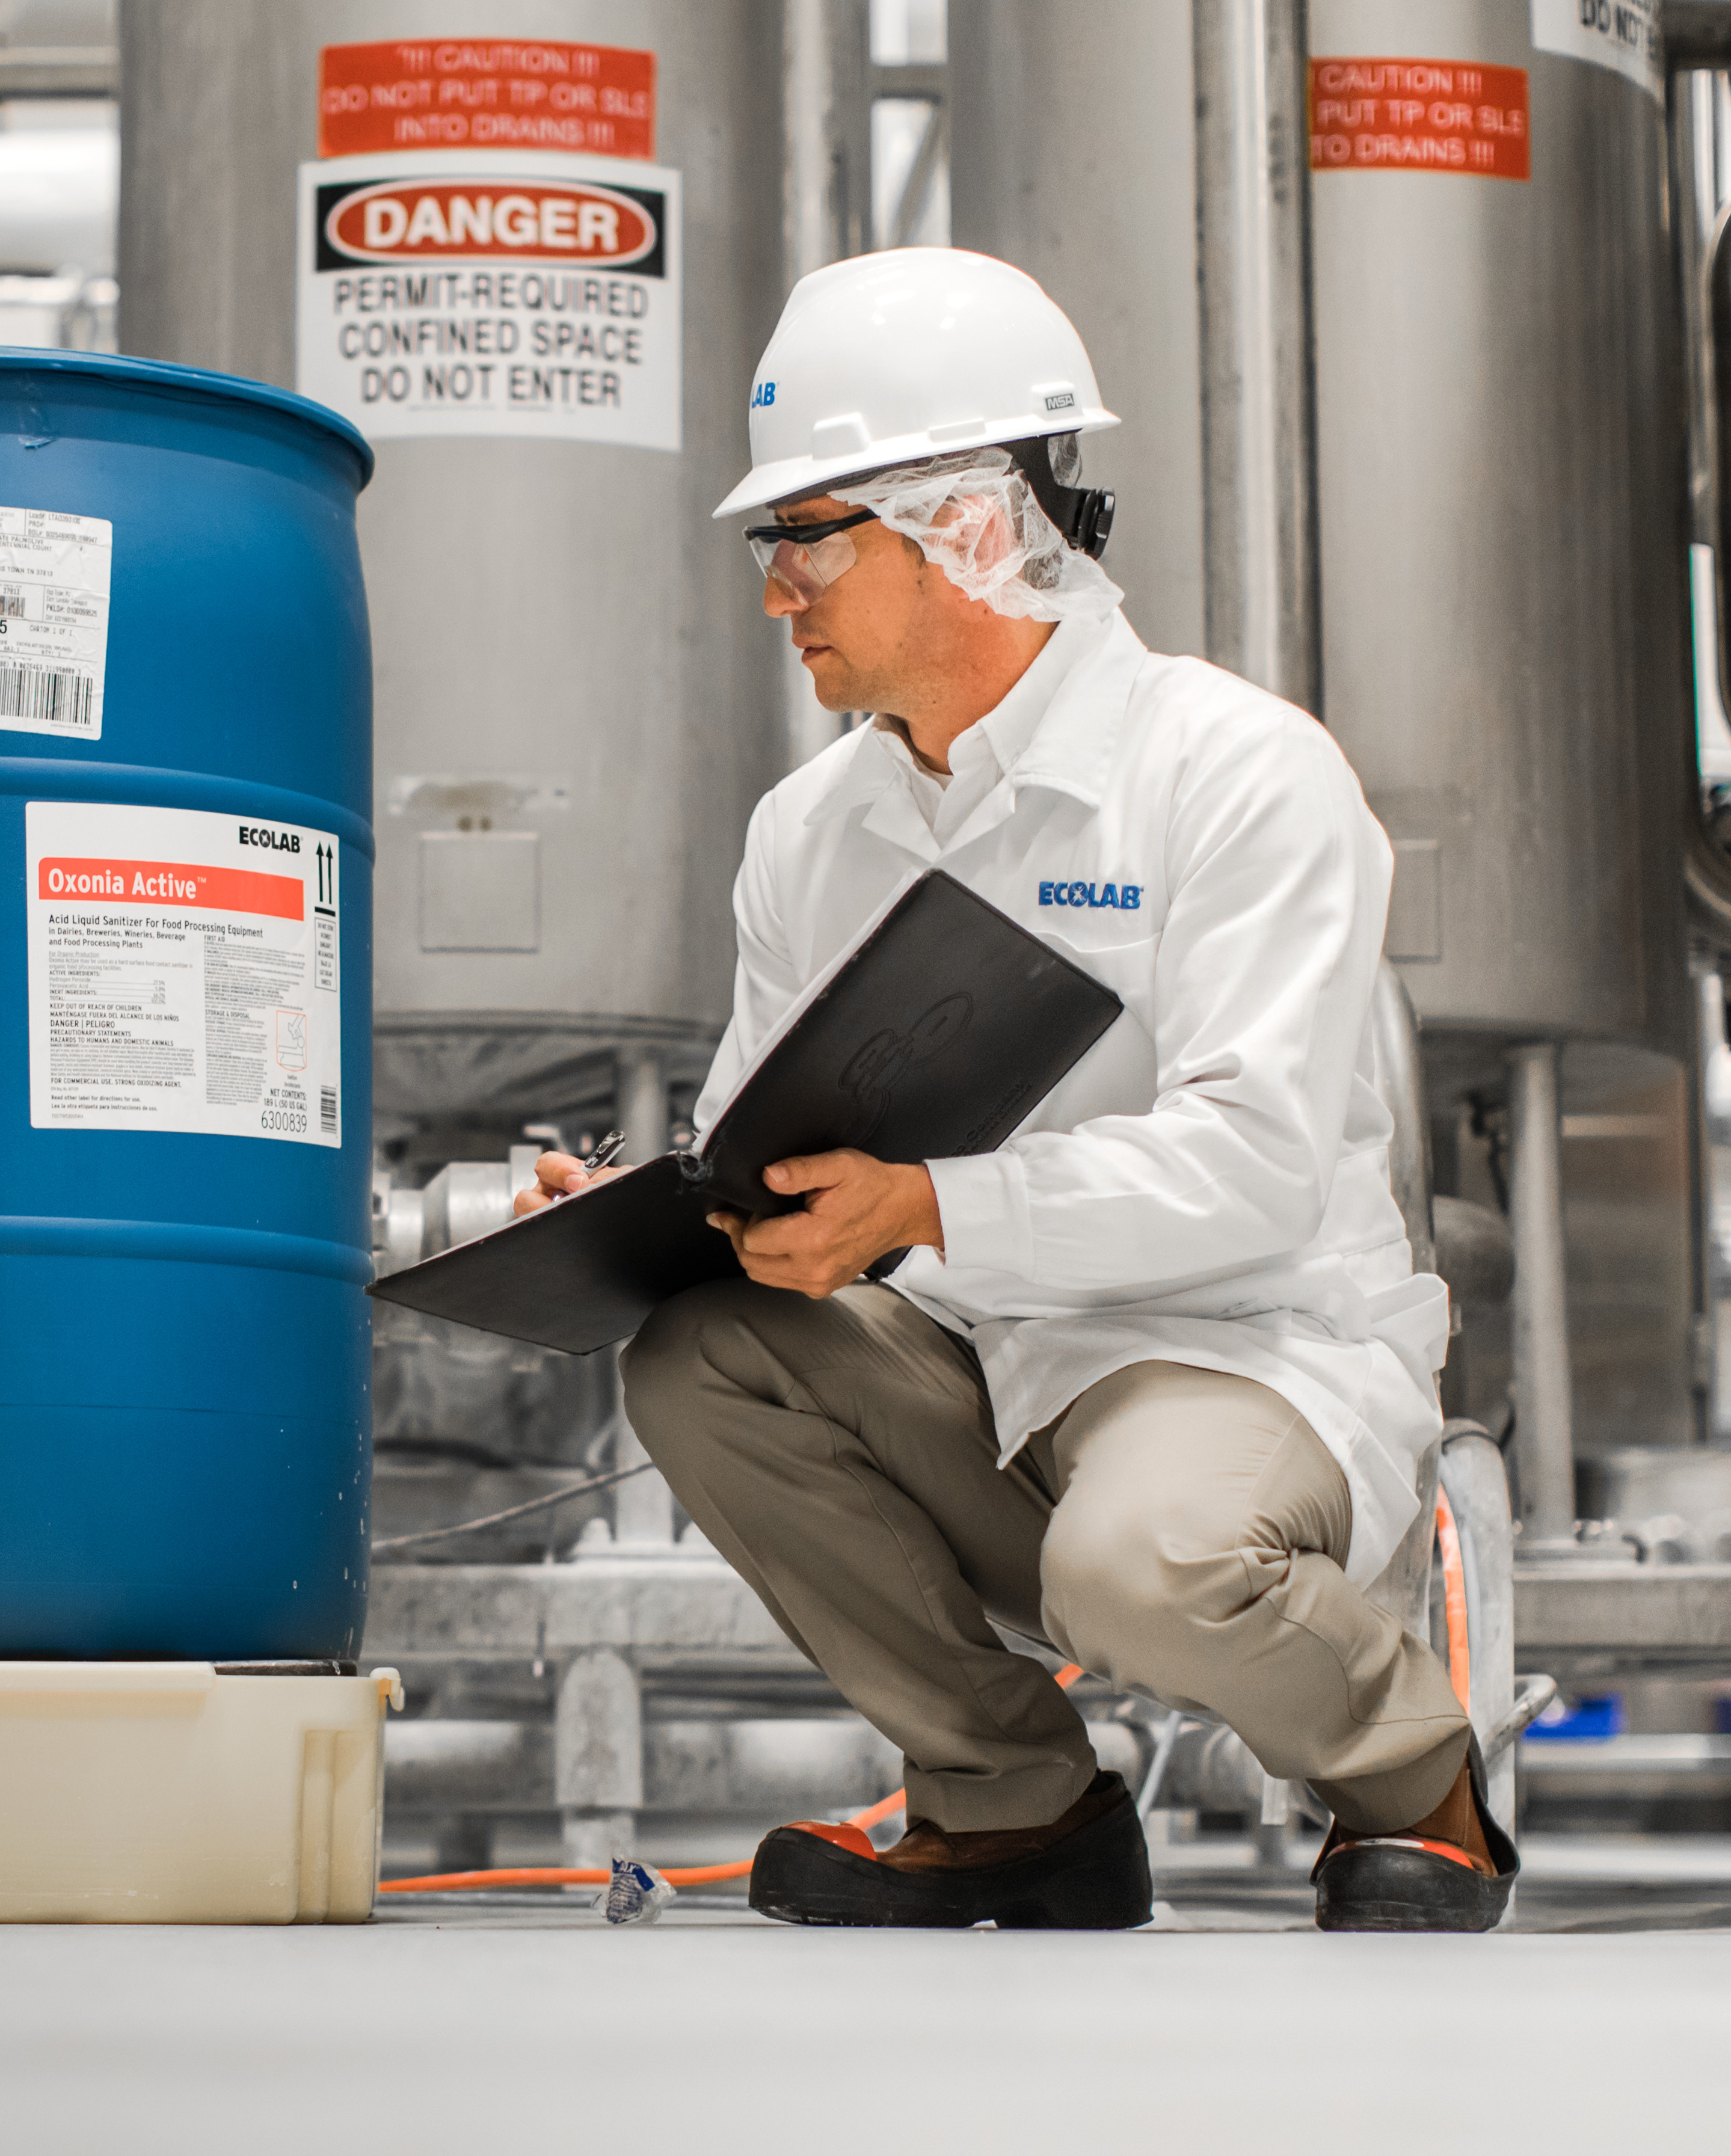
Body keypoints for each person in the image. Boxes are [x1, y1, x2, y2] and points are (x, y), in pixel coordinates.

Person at [516, 248, 1494, 1933]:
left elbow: (1257, 1167)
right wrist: (649, 1216)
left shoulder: (1231, 771)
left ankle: (1413, 1781)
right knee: (696, 1352)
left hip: (1238, 1345)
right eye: (773, 547)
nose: (779, 593)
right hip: (978, 1361)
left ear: (968, 523)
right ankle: (1012, 1805)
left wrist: (928, 1205)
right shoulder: (809, 834)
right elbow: (768, 1146)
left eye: (810, 537)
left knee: (1140, 1562)